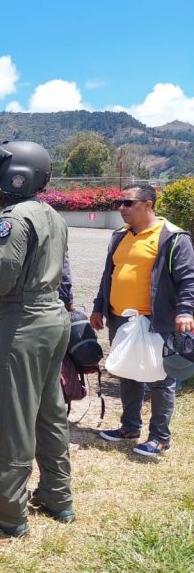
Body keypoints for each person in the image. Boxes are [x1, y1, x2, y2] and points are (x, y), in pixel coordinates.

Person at [0, 140, 74, 537]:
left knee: (10, 416)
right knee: (49, 411)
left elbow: (0, 278)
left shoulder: (13, 219)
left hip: (24, 323)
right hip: (52, 318)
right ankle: (56, 495)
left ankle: (8, 510)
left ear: (18, 176)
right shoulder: (53, 216)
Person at [91, 184, 194, 457]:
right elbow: (108, 275)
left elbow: (188, 280)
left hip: (155, 321)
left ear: (148, 204)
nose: (121, 208)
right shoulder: (118, 236)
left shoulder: (172, 237)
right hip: (120, 320)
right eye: (119, 202)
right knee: (127, 373)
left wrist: (185, 311)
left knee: (160, 379)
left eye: (128, 202)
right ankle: (130, 427)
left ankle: (160, 438)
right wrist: (99, 307)